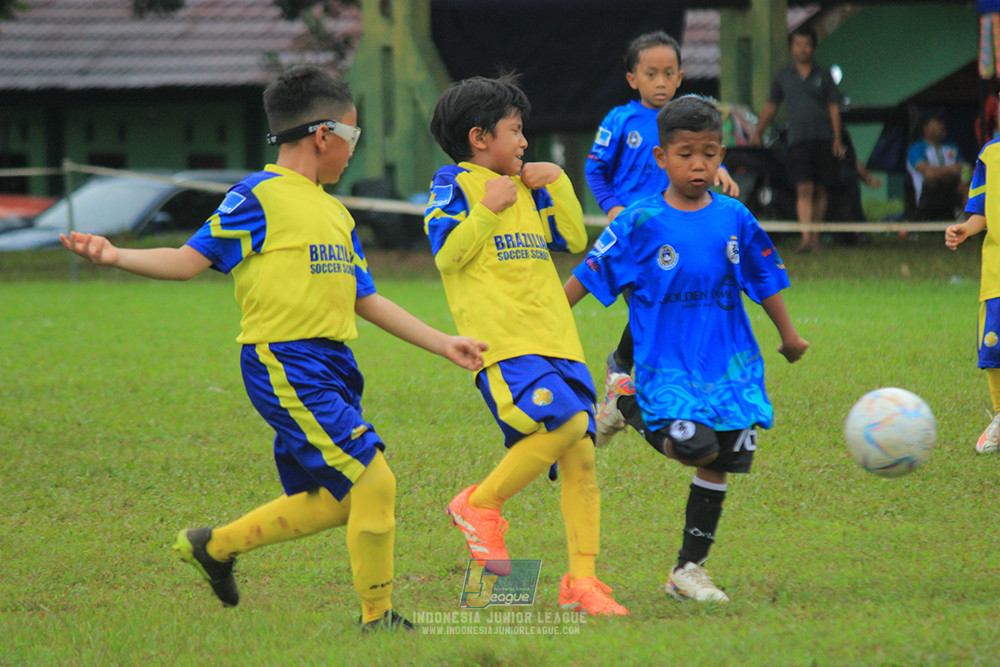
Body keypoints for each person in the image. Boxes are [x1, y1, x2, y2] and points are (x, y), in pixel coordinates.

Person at [60, 65, 488, 632]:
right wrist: (116, 256)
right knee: (374, 480)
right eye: (353, 137)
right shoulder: (256, 196)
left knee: (339, 499)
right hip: (283, 361)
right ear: (323, 134)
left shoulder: (335, 213)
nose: (352, 152)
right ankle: (377, 619)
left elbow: (366, 299)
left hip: (335, 364)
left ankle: (214, 547)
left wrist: (443, 343)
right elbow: (189, 261)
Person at [565, 95, 810, 602]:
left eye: (709, 153)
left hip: (728, 365)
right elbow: (587, 275)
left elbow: (764, 277)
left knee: (727, 455)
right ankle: (626, 401)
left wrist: (788, 335)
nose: (698, 164)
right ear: (660, 158)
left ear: (722, 154)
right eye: (685, 154)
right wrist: (544, 323)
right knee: (695, 445)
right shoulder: (640, 221)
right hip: (667, 365)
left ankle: (688, 570)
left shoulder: (735, 216)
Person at [423, 73, 628, 616]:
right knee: (565, 424)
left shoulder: (527, 187)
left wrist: (557, 180)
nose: (523, 143)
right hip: (505, 344)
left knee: (581, 453)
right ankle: (478, 504)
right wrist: (487, 206)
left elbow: (574, 239)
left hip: (557, 340)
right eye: (515, 131)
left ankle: (582, 583)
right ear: (479, 138)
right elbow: (448, 255)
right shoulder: (455, 184)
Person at [585, 31, 739, 418]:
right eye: (651, 74)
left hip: (679, 232)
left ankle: (626, 371)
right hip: (635, 234)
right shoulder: (620, 120)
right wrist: (612, 208)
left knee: (666, 304)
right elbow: (595, 168)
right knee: (650, 301)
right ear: (632, 79)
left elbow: (704, 155)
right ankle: (627, 371)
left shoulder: (687, 118)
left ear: (681, 76)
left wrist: (721, 173)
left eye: (668, 73)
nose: (660, 82)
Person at [750, 26, 843, 253]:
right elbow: (771, 106)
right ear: (792, 47)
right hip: (797, 140)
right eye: (798, 44)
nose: (802, 49)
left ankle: (815, 236)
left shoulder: (824, 75)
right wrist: (758, 132)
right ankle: (805, 238)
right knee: (803, 188)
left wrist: (837, 138)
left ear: (813, 47)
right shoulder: (783, 76)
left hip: (822, 138)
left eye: (807, 44)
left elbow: (834, 107)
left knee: (821, 189)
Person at [945, 136, 1000, 453]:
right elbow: (982, 209)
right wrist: (967, 227)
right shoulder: (990, 154)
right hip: (996, 270)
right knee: (993, 349)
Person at [907, 112, 970, 221]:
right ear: (926, 128)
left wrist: (947, 172)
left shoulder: (951, 146)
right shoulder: (917, 149)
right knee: (932, 179)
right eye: (938, 123)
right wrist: (951, 170)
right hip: (928, 194)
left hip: (952, 189)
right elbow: (929, 173)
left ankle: (970, 228)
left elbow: (963, 168)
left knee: (968, 186)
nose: (942, 126)